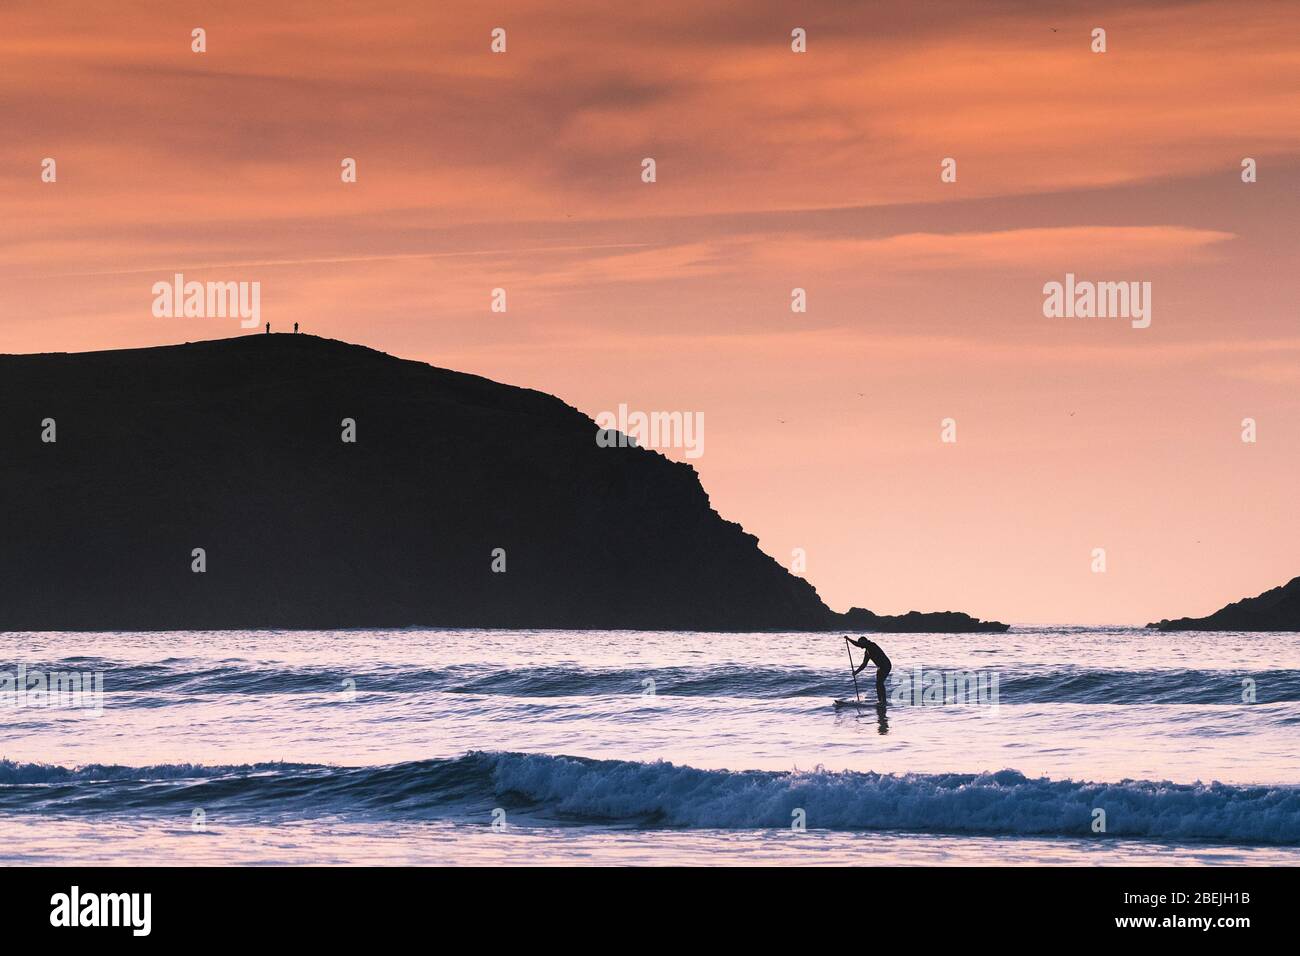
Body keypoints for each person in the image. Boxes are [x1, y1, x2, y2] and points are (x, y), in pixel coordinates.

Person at [847, 635, 891, 702]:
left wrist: (848, 639)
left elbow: (857, 644)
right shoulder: (867, 652)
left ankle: (883, 701)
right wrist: (856, 672)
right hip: (880, 667)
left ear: (865, 642)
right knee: (878, 684)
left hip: (886, 666)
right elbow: (864, 665)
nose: (860, 646)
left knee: (880, 683)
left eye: (861, 643)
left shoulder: (872, 645)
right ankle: (880, 700)